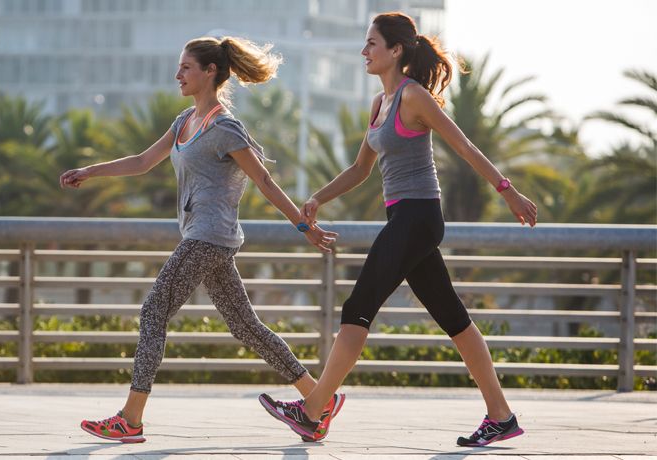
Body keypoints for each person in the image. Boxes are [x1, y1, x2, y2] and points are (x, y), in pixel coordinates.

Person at [258, 12, 537, 447]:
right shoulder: (379, 104)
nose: (364, 52)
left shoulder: (413, 97)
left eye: (372, 43)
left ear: (396, 50)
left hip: (419, 217)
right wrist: (318, 198)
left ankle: (314, 409)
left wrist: (508, 191)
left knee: (359, 305)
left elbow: (463, 146)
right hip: (404, 219)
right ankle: (501, 416)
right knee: (455, 319)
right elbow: (359, 169)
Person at [60, 35, 345, 444]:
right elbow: (143, 162)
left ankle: (131, 418)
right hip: (207, 236)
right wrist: (90, 170)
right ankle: (319, 399)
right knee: (245, 325)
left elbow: (263, 179)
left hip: (209, 237)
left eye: (186, 68)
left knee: (153, 310)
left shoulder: (225, 127)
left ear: (210, 72)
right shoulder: (184, 122)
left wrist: (303, 224)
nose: (178, 74)